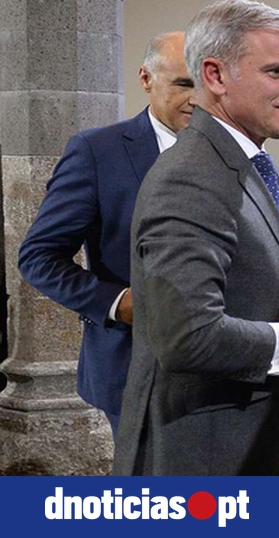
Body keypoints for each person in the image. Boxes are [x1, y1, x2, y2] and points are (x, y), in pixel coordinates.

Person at [114, 0, 279, 475]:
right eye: (277, 72)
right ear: (214, 76)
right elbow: (186, 336)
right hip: (203, 459)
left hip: (245, 444)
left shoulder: (244, 162)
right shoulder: (191, 176)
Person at [18, 32, 194, 438]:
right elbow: (39, 257)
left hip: (227, 367)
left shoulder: (234, 150)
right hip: (137, 368)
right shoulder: (98, 151)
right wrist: (119, 303)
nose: (197, 99)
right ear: (146, 78)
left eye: (206, 84)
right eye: (183, 84)